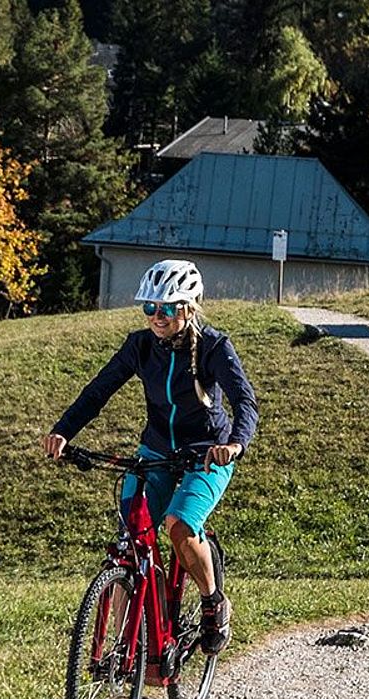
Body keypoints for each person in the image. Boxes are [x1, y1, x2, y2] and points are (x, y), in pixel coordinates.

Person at [42, 259, 259, 654]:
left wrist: (235, 445)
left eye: (168, 308)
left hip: (207, 454)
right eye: (150, 308)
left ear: (189, 307)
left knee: (178, 525)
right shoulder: (139, 347)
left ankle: (213, 602)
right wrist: (63, 430)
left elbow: (246, 402)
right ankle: (128, 648)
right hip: (156, 450)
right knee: (132, 542)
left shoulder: (214, 347)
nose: (157, 317)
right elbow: (98, 391)